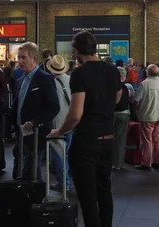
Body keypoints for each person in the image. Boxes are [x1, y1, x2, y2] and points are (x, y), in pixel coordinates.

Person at [48, 31, 122, 227]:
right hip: (108, 139)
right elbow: (117, 98)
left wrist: (59, 132)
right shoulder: (112, 71)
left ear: (76, 50)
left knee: (88, 198)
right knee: (105, 192)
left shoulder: (79, 74)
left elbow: (75, 115)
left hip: (86, 142)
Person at [10, 42, 59, 180]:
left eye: (24, 58)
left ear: (35, 59)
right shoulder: (19, 81)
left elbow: (54, 107)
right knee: (21, 167)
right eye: (18, 57)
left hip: (37, 132)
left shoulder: (45, 79)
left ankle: (36, 195)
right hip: (21, 133)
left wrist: (34, 122)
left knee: (32, 167)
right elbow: (17, 105)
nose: (20, 61)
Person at [133, 65, 159, 171]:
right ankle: (157, 162)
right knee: (157, 140)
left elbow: (137, 99)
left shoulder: (144, 84)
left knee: (147, 140)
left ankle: (146, 163)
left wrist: (135, 109)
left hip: (147, 115)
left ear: (147, 72)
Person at [47, 55, 73, 192]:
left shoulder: (52, 83)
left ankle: (63, 184)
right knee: (68, 153)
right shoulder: (71, 80)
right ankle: (67, 181)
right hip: (71, 121)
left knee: (59, 155)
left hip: (57, 123)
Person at [112, 67, 133, 170]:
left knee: (108, 139)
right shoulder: (127, 87)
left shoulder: (110, 86)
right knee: (121, 140)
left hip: (112, 114)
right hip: (124, 114)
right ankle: (118, 164)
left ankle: (108, 161)